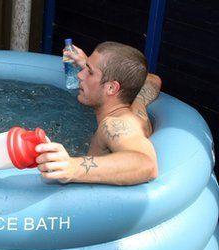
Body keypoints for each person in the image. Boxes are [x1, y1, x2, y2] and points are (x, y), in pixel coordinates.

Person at [36, 41, 161, 185]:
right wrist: (89, 64)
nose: (80, 76)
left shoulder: (114, 125)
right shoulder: (138, 107)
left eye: (89, 72)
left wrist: (72, 167)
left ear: (111, 88)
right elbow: (153, 80)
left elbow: (146, 164)